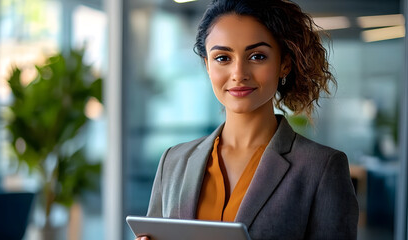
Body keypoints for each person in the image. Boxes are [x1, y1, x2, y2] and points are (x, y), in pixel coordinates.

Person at [137, 0, 359, 239]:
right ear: (207, 65)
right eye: (223, 58)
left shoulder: (321, 168)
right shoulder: (173, 161)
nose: (239, 74)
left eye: (257, 56)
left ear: (284, 63)